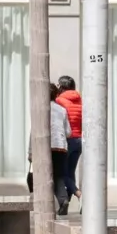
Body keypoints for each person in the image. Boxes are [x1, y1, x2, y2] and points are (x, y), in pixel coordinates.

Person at [27, 83, 70, 214]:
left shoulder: (39, 110)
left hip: (44, 147)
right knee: (58, 176)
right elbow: (68, 132)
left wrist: (30, 151)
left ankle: (40, 203)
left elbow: (33, 132)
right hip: (61, 147)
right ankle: (63, 199)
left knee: (39, 176)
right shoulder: (62, 110)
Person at [56, 76, 82, 212]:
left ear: (61, 86)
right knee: (70, 173)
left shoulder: (59, 101)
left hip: (67, 140)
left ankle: (80, 195)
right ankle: (65, 206)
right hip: (79, 140)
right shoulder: (80, 100)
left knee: (62, 173)